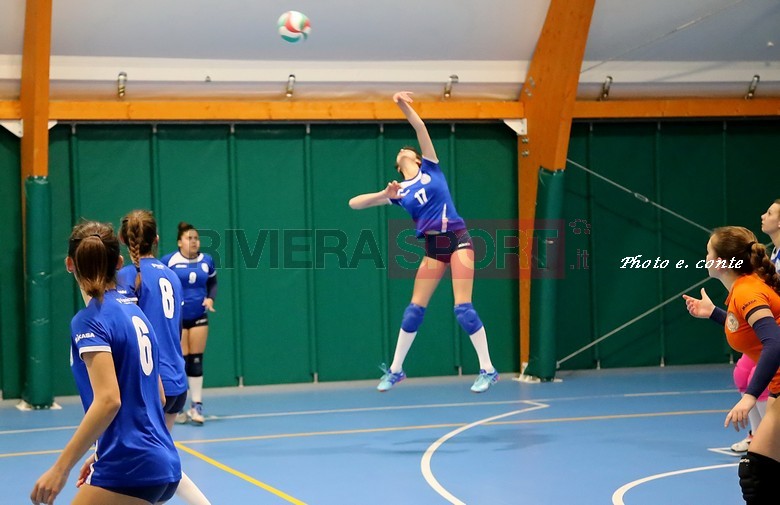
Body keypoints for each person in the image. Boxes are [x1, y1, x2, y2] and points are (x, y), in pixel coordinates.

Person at [348, 91, 498, 393]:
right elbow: (354, 203)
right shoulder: (398, 191)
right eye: (399, 152)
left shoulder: (431, 168)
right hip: (434, 249)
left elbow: (419, 127)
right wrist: (383, 195)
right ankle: (395, 370)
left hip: (458, 239)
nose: (403, 150)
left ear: (417, 157)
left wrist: (401, 104)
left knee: (463, 308)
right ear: (398, 165)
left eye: (407, 150)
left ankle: (488, 369)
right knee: (414, 310)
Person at [31, 221, 180, 505]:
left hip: (129, 466)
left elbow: (109, 400)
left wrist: (61, 469)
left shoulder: (89, 321)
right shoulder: (135, 312)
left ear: (69, 264)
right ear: (119, 263)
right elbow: (159, 396)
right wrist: (102, 450)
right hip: (163, 463)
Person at [118, 210, 211, 505]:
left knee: (145, 465)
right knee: (157, 461)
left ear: (123, 240)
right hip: (175, 382)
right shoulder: (171, 275)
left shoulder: (126, 277)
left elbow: (126, 333)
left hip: (149, 384)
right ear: (156, 239)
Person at [682, 226, 780, 504]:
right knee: (763, 471)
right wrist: (713, 313)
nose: (705, 257)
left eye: (708, 252)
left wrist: (750, 397)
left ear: (723, 262)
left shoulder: (747, 292)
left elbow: (775, 342)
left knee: (755, 473)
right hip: (777, 386)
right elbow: (748, 328)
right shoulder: (743, 289)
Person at [161, 222, 217, 424]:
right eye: (189, 238)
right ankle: (179, 407)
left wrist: (210, 299)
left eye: (196, 238)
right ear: (179, 242)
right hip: (178, 318)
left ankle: (197, 405)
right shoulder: (169, 261)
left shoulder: (207, 260)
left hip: (199, 315)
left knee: (196, 360)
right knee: (181, 361)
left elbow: (213, 283)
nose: (193, 241)